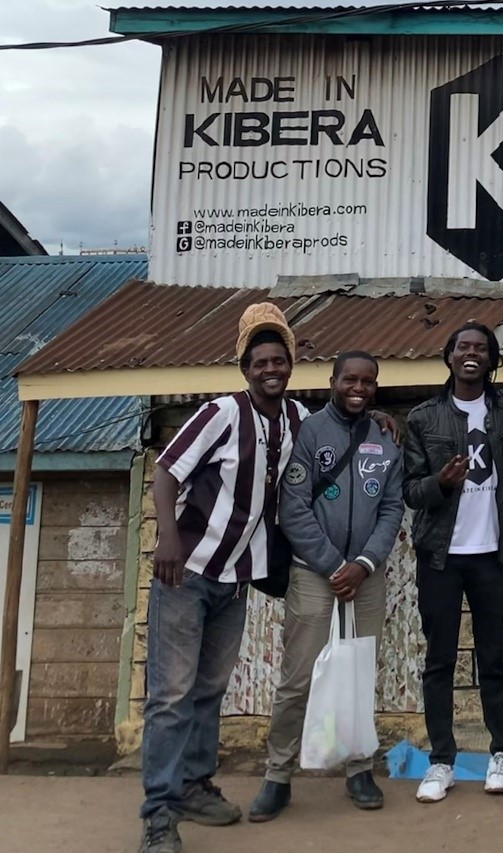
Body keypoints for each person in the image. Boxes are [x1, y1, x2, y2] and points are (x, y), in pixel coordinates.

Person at [140, 304, 305, 853]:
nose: (270, 369)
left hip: (235, 581)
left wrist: (379, 420)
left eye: (279, 360)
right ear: (245, 368)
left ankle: (192, 784)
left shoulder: (297, 420)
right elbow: (166, 471)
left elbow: (341, 432)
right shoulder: (221, 413)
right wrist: (166, 537)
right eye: (260, 361)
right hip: (185, 574)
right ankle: (158, 816)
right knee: (171, 695)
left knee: (209, 691)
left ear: (291, 365)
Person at [248, 351, 405, 821]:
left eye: (368, 382)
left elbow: (392, 507)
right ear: (332, 381)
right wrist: (334, 563)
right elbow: (292, 506)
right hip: (314, 574)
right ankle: (277, 775)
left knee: (359, 674)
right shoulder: (310, 431)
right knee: (298, 679)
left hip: (366, 577)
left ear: (376, 387)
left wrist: (363, 563)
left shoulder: (385, 435)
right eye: (349, 380)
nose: (358, 388)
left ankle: (359, 767)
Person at [400, 322, 503, 803]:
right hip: (440, 557)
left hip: (489, 555)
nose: (471, 354)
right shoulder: (423, 417)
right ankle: (441, 760)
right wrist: (440, 483)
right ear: (449, 355)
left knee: (493, 660)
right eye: (463, 346)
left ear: (491, 359)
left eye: (481, 348)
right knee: (439, 660)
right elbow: (410, 492)